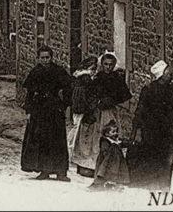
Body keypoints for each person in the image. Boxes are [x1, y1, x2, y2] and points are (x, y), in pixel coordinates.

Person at [71, 50, 131, 178]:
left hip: (109, 113)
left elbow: (124, 95)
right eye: (105, 64)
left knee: (107, 136)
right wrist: (94, 103)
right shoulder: (97, 78)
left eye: (110, 64)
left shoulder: (117, 79)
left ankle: (108, 166)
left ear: (114, 65)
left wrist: (112, 100)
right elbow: (89, 93)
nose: (108, 67)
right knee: (91, 138)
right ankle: (89, 166)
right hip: (95, 112)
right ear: (102, 65)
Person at [21, 45, 72, 181]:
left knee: (58, 140)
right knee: (42, 140)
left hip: (55, 109)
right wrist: (29, 111)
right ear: (38, 58)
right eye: (42, 58)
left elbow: (69, 87)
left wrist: (64, 105)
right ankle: (44, 170)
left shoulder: (58, 71)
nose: (45, 60)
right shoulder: (35, 72)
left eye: (47, 58)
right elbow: (29, 94)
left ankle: (61, 171)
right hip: (39, 109)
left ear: (51, 57)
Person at [128, 60, 173, 191]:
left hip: (166, 129)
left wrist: (168, 119)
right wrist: (138, 130)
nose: (171, 75)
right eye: (168, 73)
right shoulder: (149, 90)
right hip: (150, 130)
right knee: (151, 156)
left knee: (166, 158)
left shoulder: (171, 89)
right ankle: (151, 184)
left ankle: (164, 186)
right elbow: (140, 111)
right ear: (161, 75)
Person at [68, 56, 98, 159]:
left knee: (76, 127)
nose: (94, 71)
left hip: (78, 108)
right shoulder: (86, 79)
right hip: (82, 108)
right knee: (78, 129)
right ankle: (72, 151)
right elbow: (86, 95)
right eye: (93, 69)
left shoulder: (79, 78)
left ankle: (72, 150)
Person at [90, 119, 130, 189]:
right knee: (104, 172)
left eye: (116, 131)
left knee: (115, 172)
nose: (116, 133)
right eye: (113, 132)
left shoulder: (116, 140)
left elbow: (123, 143)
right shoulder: (105, 141)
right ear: (107, 133)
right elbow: (104, 150)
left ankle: (112, 184)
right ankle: (99, 184)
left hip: (116, 161)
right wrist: (108, 153)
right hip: (106, 160)